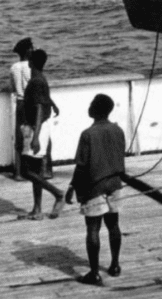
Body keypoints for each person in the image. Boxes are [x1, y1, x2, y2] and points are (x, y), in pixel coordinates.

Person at [65, 94, 126, 286]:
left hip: (95, 187)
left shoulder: (87, 134)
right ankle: (115, 265)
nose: (89, 107)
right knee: (113, 225)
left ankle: (94, 273)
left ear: (96, 110)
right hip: (115, 185)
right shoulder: (118, 130)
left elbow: (81, 167)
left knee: (93, 228)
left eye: (91, 104)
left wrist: (72, 187)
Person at [19, 48, 65, 220]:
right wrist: (53, 104)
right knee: (36, 170)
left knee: (25, 170)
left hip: (36, 127)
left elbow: (38, 107)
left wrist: (36, 136)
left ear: (31, 62)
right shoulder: (40, 79)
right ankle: (37, 209)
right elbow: (44, 99)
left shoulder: (36, 81)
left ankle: (58, 193)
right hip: (40, 125)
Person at [10, 37, 34, 181]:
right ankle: (33, 171)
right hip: (31, 103)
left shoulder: (14, 67)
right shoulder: (31, 66)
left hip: (19, 103)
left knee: (19, 139)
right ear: (27, 51)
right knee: (33, 135)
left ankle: (18, 173)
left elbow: (13, 87)